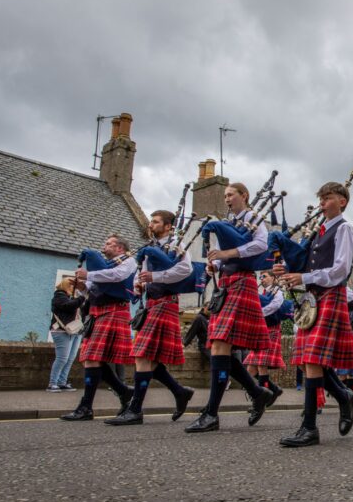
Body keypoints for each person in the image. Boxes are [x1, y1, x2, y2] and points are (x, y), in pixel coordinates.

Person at [275, 181, 353, 447]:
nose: (323, 203)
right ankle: (343, 395)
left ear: (343, 201)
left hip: (331, 295)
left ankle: (309, 428)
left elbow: (340, 270)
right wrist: (291, 273)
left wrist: (304, 276)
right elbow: (307, 263)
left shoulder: (345, 228)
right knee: (308, 360)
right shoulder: (318, 232)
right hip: (313, 296)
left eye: (328, 198)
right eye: (321, 198)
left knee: (313, 360)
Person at [185, 183, 274, 433]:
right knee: (219, 347)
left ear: (244, 196)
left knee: (220, 345)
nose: (226, 199)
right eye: (224, 195)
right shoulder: (231, 221)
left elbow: (261, 246)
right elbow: (228, 257)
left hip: (242, 283)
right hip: (225, 284)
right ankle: (257, 392)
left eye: (230, 194)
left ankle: (212, 413)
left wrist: (228, 253)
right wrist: (217, 265)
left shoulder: (253, 218)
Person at [106, 210, 196, 426]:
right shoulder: (150, 247)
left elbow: (186, 269)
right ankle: (179, 391)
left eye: (155, 222)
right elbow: (141, 272)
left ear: (167, 226)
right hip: (152, 304)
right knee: (148, 358)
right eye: (151, 221)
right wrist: (140, 285)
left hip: (166, 302)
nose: (151, 224)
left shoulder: (176, 244)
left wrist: (155, 276)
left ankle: (136, 409)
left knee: (143, 356)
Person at [61, 235, 136, 420]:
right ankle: (122, 391)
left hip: (114, 311)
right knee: (91, 358)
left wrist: (89, 275)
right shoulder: (104, 266)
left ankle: (86, 407)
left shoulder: (129, 261)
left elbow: (118, 276)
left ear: (120, 247)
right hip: (97, 313)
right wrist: (82, 286)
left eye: (109, 244)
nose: (105, 246)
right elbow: (94, 290)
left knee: (92, 358)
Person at [244, 270, 286, 406]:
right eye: (260, 277)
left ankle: (260, 401)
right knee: (250, 370)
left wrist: (259, 313)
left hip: (271, 330)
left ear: (273, 278)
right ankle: (273, 389)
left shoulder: (277, 291)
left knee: (262, 366)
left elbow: (275, 305)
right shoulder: (261, 293)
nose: (262, 279)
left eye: (265, 276)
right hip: (260, 330)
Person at [47, 277, 86, 392]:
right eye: (73, 286)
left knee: (70, 358)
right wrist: (82, 297)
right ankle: (52, 383)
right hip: (61, 331)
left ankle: (62, 382)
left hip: (76, 330)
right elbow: (68, 306)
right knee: (62, 358)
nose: (75, 288)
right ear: (66, 286)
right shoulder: (59, 296)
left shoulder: (73, 298)